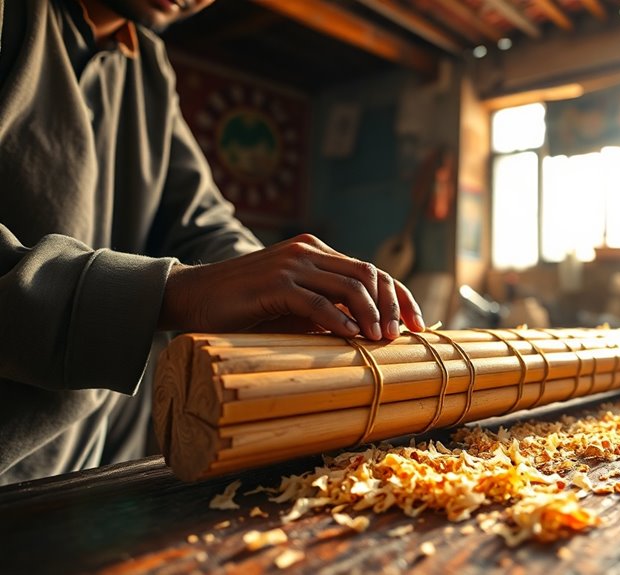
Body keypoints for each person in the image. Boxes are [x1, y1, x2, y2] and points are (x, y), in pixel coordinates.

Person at [0, 0, 425, 485]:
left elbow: (202, 221)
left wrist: (282, 293)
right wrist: (179, 291)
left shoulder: (147, 64)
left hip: (89, 457)